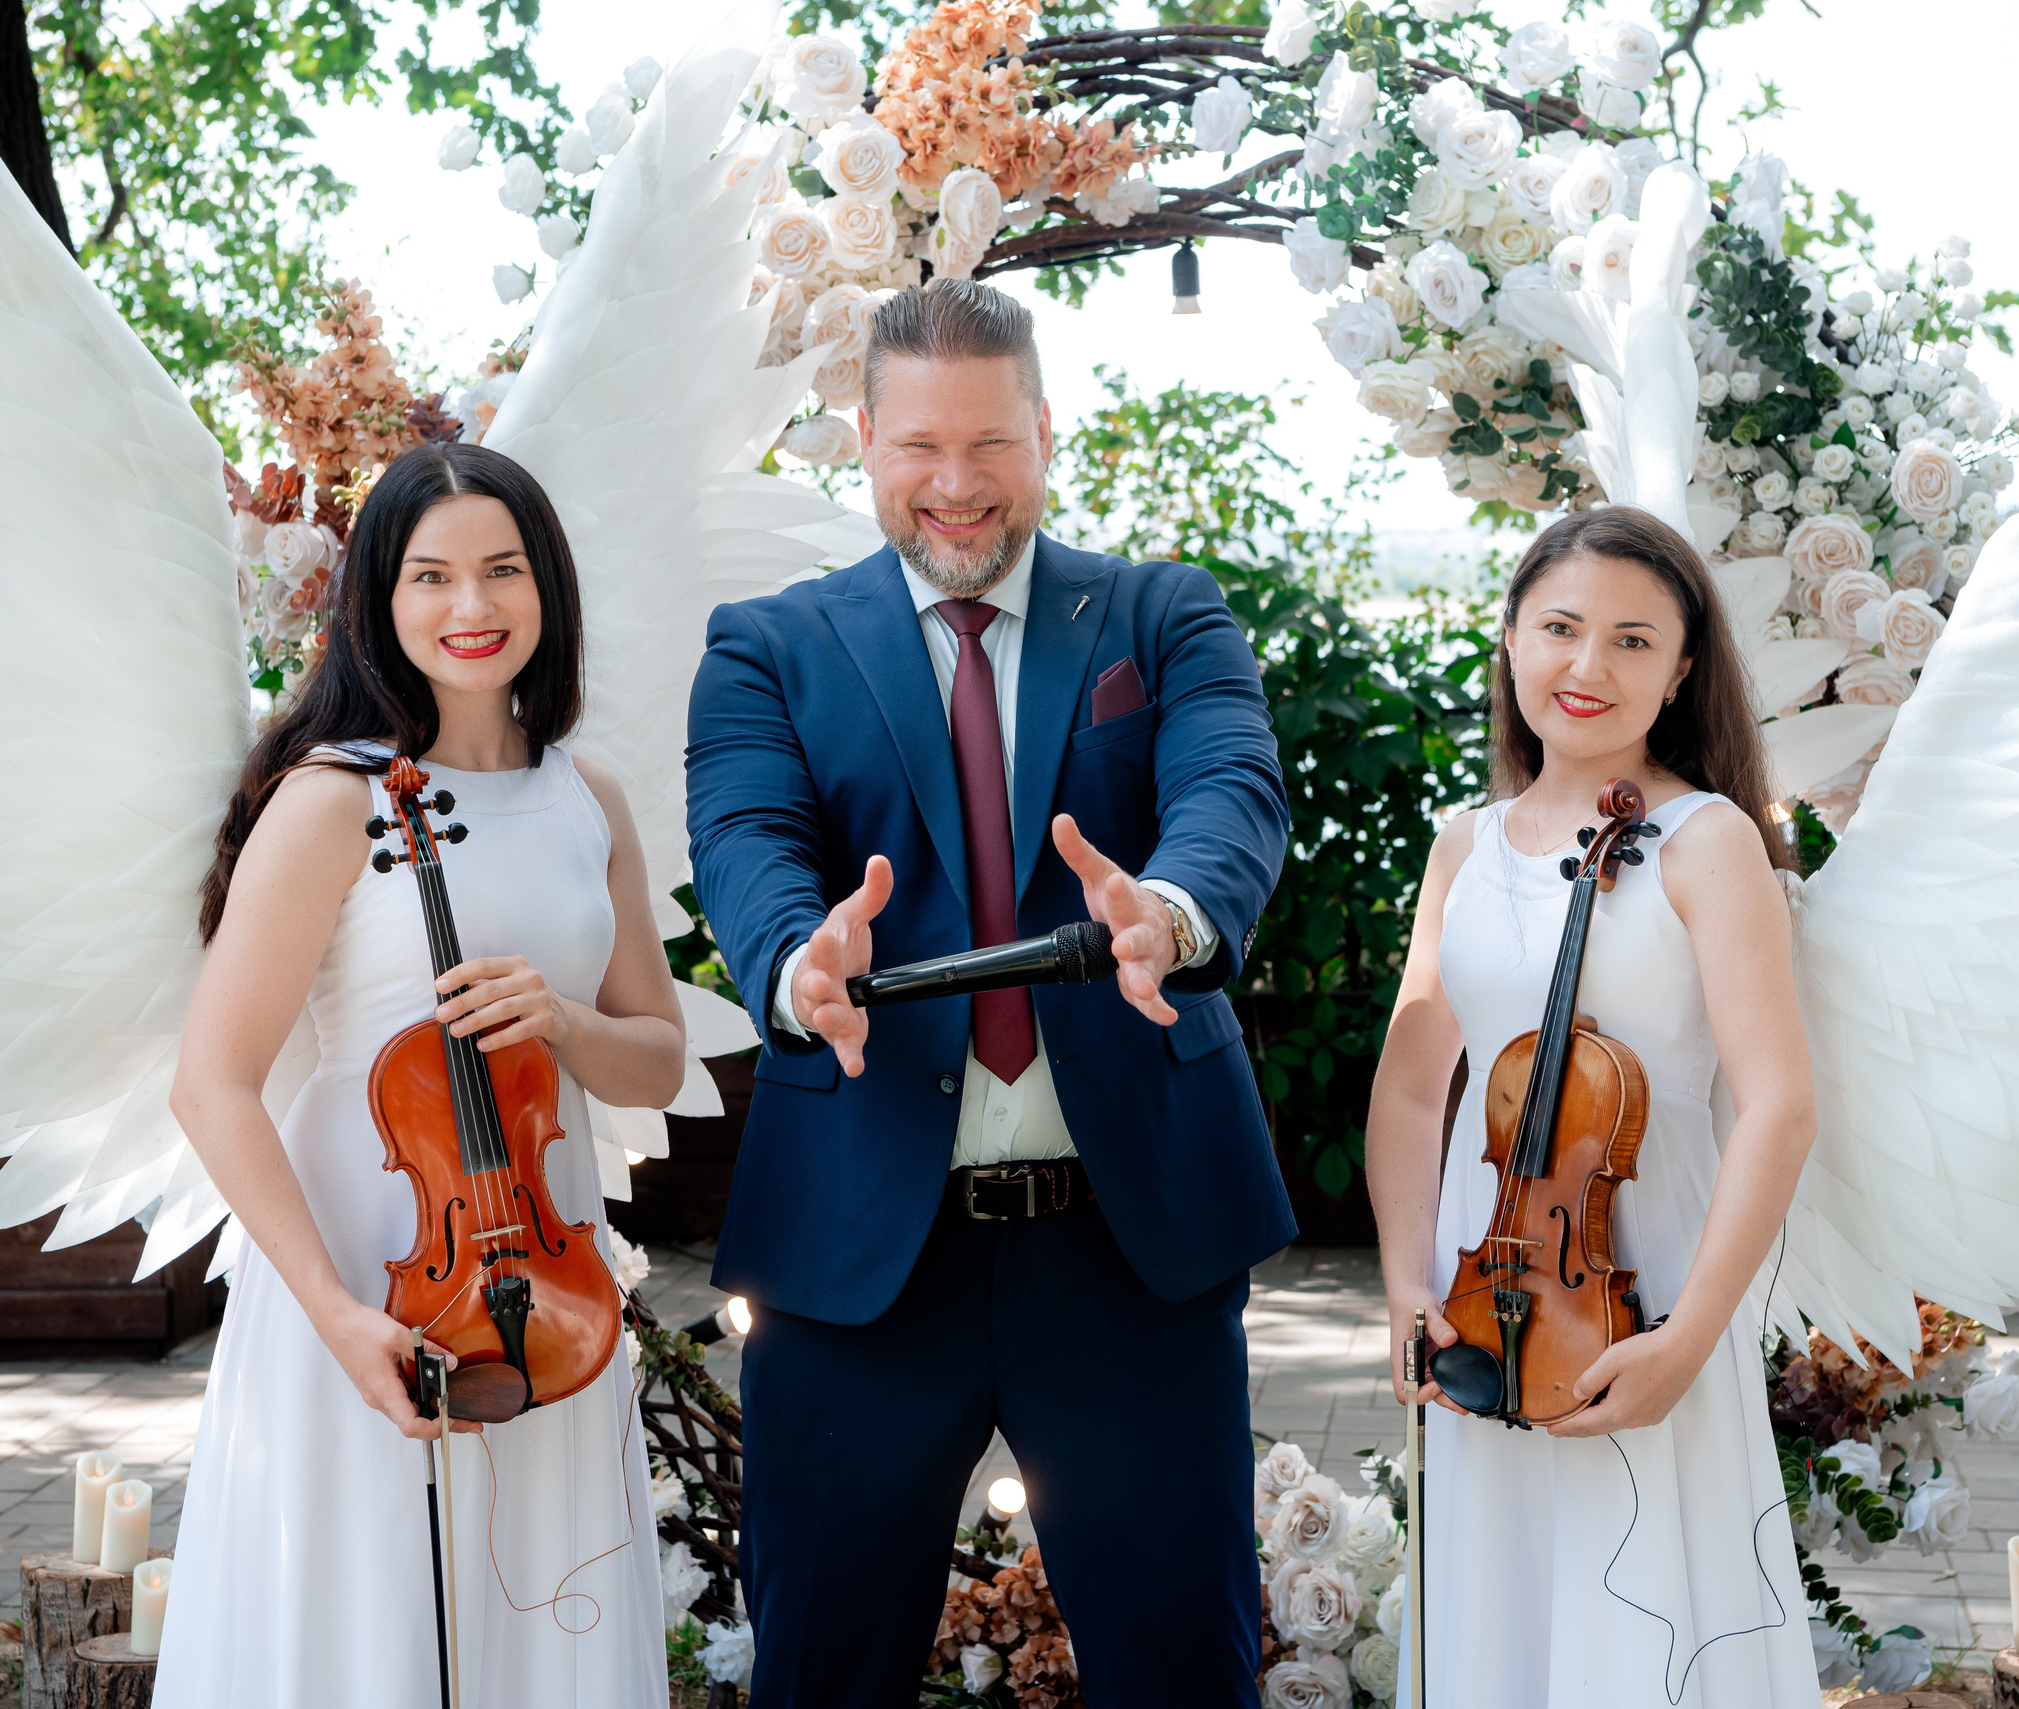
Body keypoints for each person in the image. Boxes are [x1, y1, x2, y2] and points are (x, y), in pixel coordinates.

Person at [684, 278, 1293, 1707]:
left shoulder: (1163, 611)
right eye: (918, 448)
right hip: (857, 1266)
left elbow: (1229, 787)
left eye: (991, 446)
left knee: (1190, 1675)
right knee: (822, 1676)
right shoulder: (764, 645)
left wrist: (1177, 909)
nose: (955, 488)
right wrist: (793, 958)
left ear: (1045, 432)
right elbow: (750, 840)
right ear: (863, 442)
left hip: (1131, 1248)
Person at [159, 443, 686, 1709]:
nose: (471, 607)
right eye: (431, 575)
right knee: (370, 1627)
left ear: (545, 586)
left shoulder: (588, 793)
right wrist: (337, 1315)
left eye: (503, 570)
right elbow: (212, 1081)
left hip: (545, 1285)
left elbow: (659, 1058)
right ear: (377, 605)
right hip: (364, 1275)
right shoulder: (332, 799)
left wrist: (558, 1018)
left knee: (541, 1625)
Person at [1367, 506, 1819, 1707]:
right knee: (1498, 1621)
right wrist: (1410, 1284)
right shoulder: (1462, 845)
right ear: (1510, 635)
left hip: (1644, 1291)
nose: (1587, 667)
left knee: (1641, 1625)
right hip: (1488, 1291)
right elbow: (1414, 1089)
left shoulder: (1704, 840)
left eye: (1632, 640)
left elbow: (1779, 1105)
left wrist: (1688, 1341)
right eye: (1560, 627)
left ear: (1679, 673)